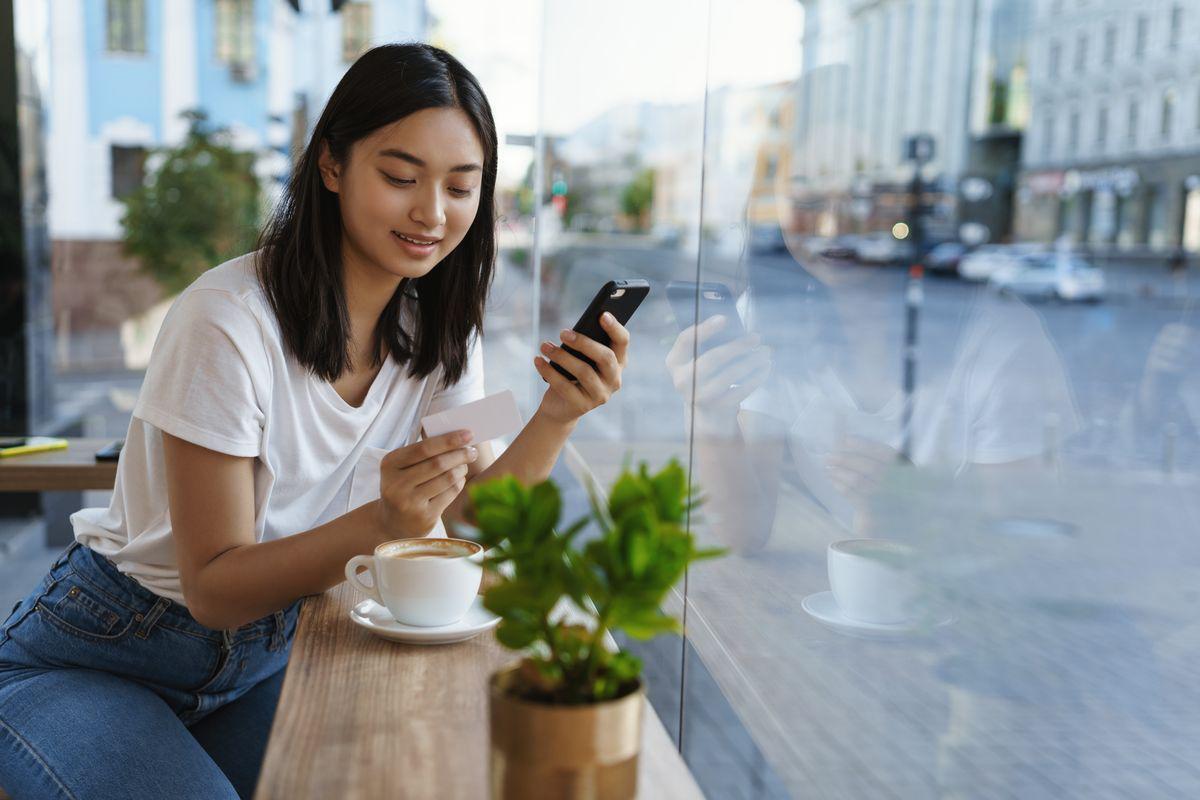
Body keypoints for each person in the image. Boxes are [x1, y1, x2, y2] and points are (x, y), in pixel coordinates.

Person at [0, 43, 629, 800]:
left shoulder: (440, 334)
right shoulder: (227, 320)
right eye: (401, 177)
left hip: (265, 657)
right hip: (102, 653)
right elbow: (214, 588)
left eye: (462, 187)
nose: (432, 212)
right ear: (331, 165)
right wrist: (382, 520)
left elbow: (469, 515)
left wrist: (557, 416)